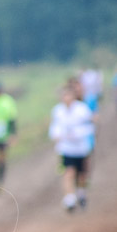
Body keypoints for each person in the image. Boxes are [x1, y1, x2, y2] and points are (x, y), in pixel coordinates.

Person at [49, 84, 95, 213]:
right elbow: (54, 127)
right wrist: (56, 136)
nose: (66, 98)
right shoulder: (57, 111)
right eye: (64, 96)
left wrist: (78, 134)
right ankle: (69, 198)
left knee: (82, 175)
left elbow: (90, 125)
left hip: (81, 147)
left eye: (68, 95)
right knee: (68, 172)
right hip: (66, 148)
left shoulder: (82, 109)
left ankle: (81, 193)